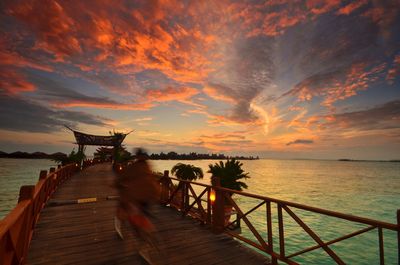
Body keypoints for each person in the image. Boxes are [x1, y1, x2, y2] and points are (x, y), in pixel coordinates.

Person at [114, 148, 160, 239]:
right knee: (143, 213)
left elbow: (123, 176)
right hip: (150, 195)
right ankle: (147, 233)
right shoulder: (148, 166)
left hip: (137, 196)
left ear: (137, 157)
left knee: (133, 215)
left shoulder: (134, 166)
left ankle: (141, 236)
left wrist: (116, 183)